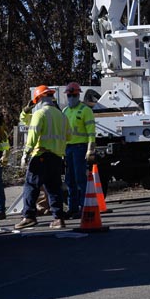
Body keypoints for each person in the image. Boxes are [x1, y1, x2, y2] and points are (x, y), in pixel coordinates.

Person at [16, 85, 68, 230]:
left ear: (38, 99)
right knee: (53, 188)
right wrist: (26, 111)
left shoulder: (40, 114)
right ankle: (59, 219)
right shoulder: (62, 115)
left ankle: (28, 216)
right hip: (57, 157)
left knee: (31, 186)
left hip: (41, 155)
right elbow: (68, 135)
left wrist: (26, 153)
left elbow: (32, 135)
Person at [62, 82, 97, 218]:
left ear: (78, 95)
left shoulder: (85, 111)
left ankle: (83, 206)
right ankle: (72, 207)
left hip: (80, 148)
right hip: (68, 148)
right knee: (70, 180)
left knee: (80, 179)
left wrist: (90, 150)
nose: (71, 97)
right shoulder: (65, 111)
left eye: (73, 95)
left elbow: (91, 132)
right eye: (69, 95)